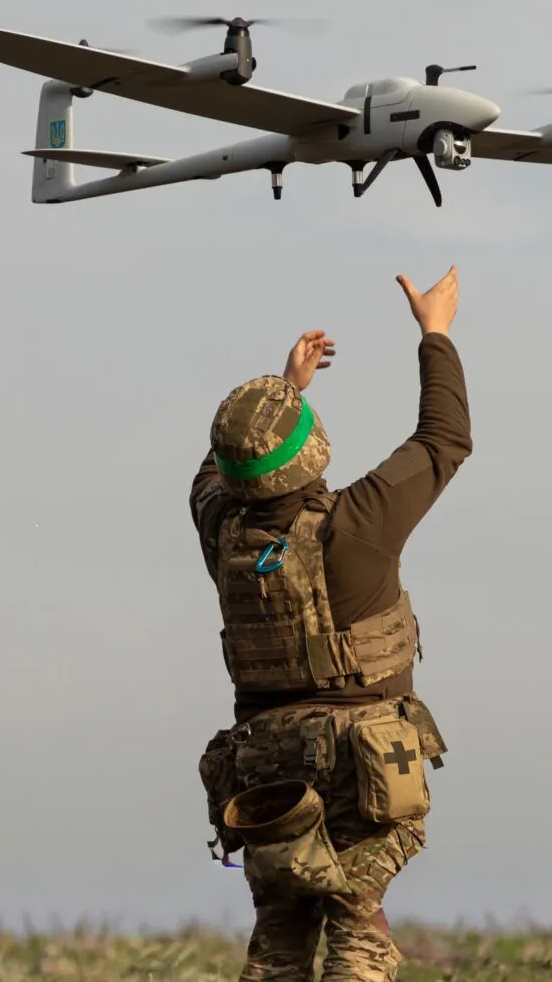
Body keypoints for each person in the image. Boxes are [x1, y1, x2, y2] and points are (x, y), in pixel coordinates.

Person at [191, 265, 471, 982]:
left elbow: (218, 472)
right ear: (312, 449)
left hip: (263, 765)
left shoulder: (222, 531)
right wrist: (434, 333)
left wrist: (284, 387)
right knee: (357, 928)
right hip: (359, 758)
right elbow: (445, 439)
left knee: (279, 936)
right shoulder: (355, 527)